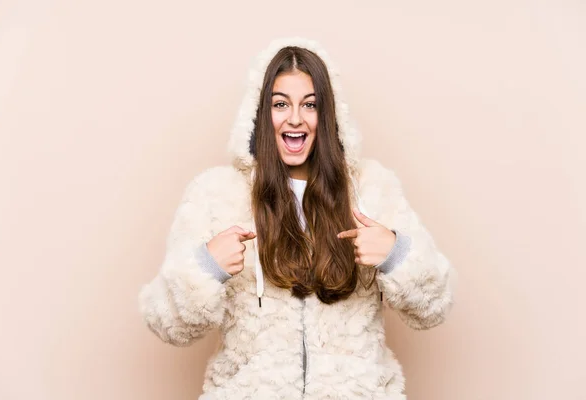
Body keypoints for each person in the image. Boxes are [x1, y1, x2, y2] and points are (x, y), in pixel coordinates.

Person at [138, 37, 455, 399]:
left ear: (329, 116)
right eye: (280, 104)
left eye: (310, 105)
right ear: (259, 115)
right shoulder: (215, 195)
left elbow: (434, 306)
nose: (294, 118)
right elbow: (167, 323)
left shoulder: (372, 188)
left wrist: (396, 254)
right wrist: (207, 266)